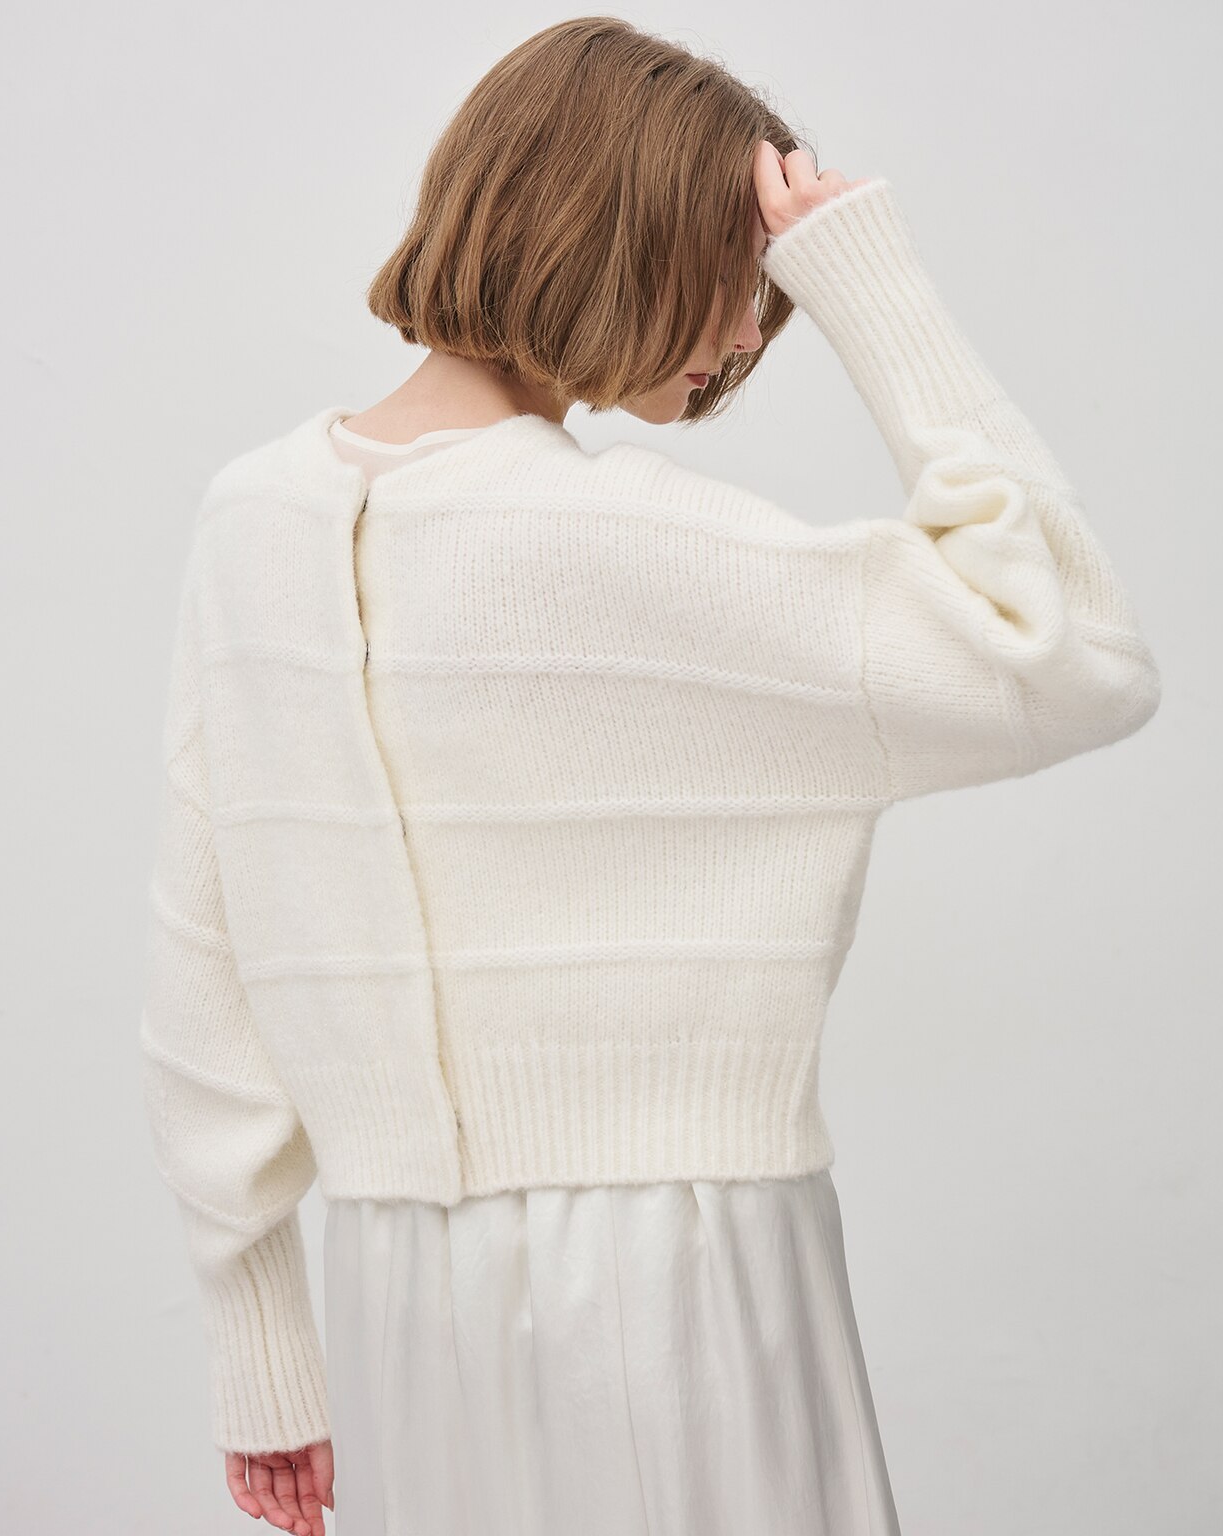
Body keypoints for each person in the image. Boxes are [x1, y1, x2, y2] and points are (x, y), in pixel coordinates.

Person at [138, 18, 1162, 1536]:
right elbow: (1076, 651)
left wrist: (262, 1345)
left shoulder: (252, 522)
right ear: (623, 236)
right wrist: (872, 286)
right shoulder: (638, 544)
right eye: (742, 278)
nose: (749, 331)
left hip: (398, 1303)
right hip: (682, 1288)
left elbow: (205, 961)